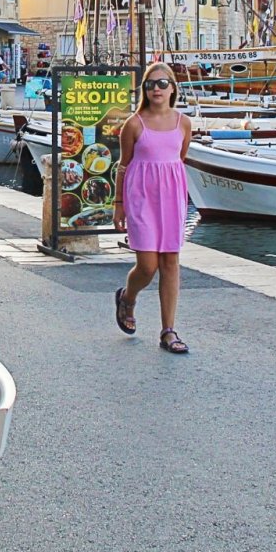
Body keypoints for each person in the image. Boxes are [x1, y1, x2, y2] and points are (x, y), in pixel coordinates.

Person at [113, 61, 192, 355]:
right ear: (144, 90)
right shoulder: (134, 124)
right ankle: (128, 297)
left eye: (162, 83)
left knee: (170, 262)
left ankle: (168, 331)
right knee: (147, 265)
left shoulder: (183, 123)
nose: (156, 89)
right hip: (141, 197)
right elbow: (123, 166)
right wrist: (119, 205)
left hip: (171, 198)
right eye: (150, 84)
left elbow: (179, 159)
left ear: (172, 88)